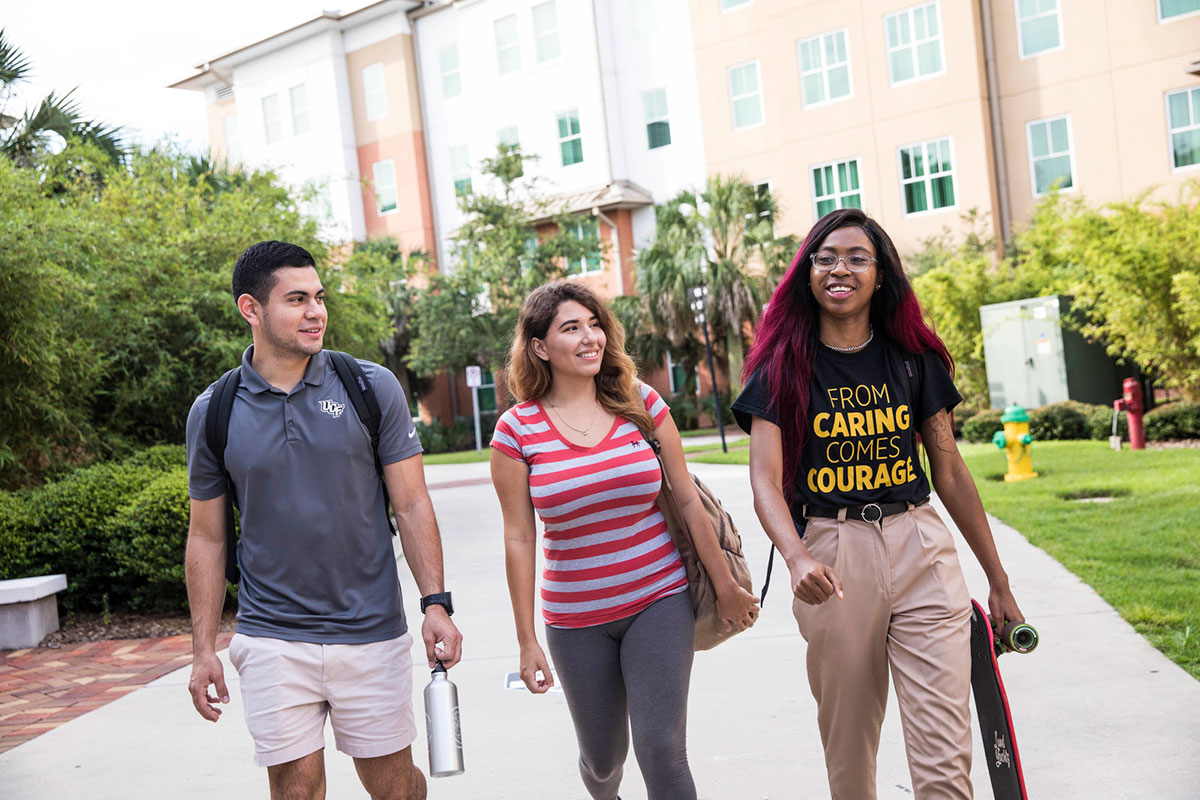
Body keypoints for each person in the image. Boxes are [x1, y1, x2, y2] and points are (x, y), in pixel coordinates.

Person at [731, 208, 1024, 800]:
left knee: (945, 754)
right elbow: (764, 480)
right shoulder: (782, 366)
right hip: (832, 558)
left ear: (881, 274)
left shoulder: (912, 358)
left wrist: (999, 581)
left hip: (919, 545)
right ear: (808, 272)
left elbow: (949, 470)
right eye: (826, 258)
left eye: (857, 258)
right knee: (850, 751)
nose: (840, 269)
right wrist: (796, 558)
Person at [184, 240, 462, 800]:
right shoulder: (214, 411)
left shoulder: (369, 387)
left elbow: (411, 504)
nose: (316, 311)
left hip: (369, 629)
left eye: (319, 297)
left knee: (393, 787)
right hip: (271, 635)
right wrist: (203, 648)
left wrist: (436, 603)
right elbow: (207, 537)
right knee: (296, 791)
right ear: (251, 309)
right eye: (297, 300)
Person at [489, 281, 759, 800]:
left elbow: (686, 500)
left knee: (662, 750)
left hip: (659, 599)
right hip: (575, 619)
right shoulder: (516, 430)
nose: (589, 337)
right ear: (540, 347)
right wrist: (526, 640)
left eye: (594, 325)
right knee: (602, 761)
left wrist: (725, 587)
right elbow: (519, 536)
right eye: (572, 328)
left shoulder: (641, 402)